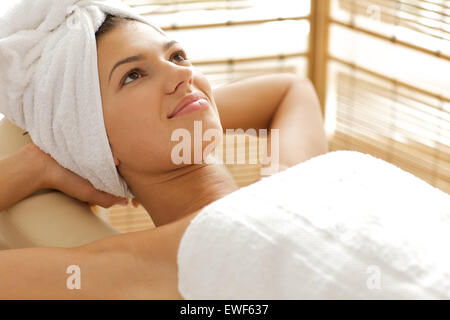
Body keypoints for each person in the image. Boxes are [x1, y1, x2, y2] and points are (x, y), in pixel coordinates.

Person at [0, 14, 328, 299]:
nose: (182, 75)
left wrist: (186, 109)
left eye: (177, 56)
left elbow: (291, 90)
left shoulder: (292, 186)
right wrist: (36, 166)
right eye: (133, 75)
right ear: (96, 141)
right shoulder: (131, 268)